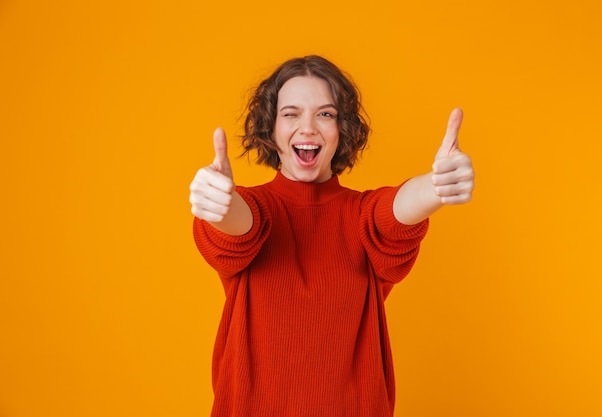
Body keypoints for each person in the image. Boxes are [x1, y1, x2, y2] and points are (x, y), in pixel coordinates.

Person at [189, 55, 474, 417]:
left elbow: (397, 210)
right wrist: (220, 201)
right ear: (271, 129)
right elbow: (240, 224)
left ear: (342, 130)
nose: (308, 128)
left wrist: (436, 186)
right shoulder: (253, 208)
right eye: (291, 114)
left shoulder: (362, 217)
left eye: (325, 114)